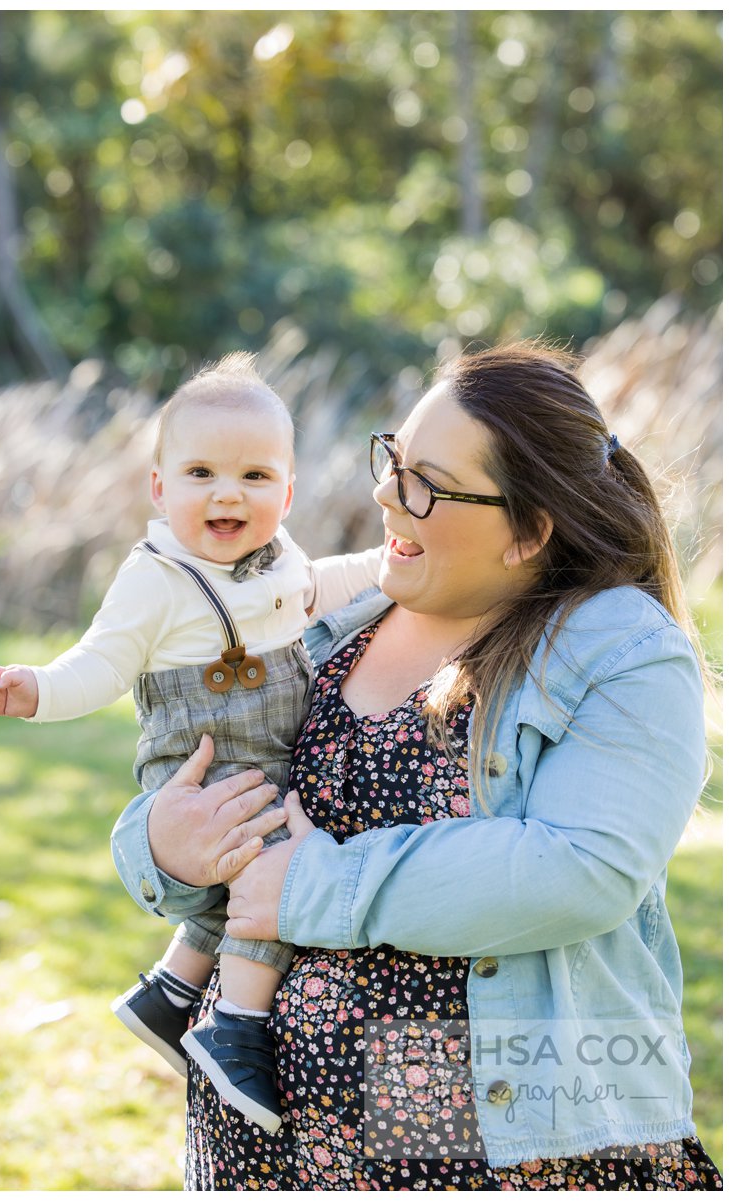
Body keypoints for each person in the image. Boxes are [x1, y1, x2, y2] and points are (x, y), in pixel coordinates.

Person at [115, 343, 723, 1187]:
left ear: (529, 531)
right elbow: (216, 789)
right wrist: (159, 847)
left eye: (425, 483)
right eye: (393, 458)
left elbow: (583, 867)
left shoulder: (619, 648)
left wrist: (318, 887)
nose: (384, 493)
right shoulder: (330, 623)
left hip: (486, 1159)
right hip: (260, 1150)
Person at [0, 354, 380, 1129]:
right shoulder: (155, 577)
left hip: (269, 753)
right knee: (270, 877)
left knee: (238, 883)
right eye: (201, 472)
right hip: (205, 758)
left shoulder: (282, 561)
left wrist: (397, 563)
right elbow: (101, 663)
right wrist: (36, 689)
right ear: (160, 488)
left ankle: (169, 996)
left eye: (256, 476)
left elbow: (327, 582)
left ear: (286, 493)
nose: (229, 492)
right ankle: (235, 1026)